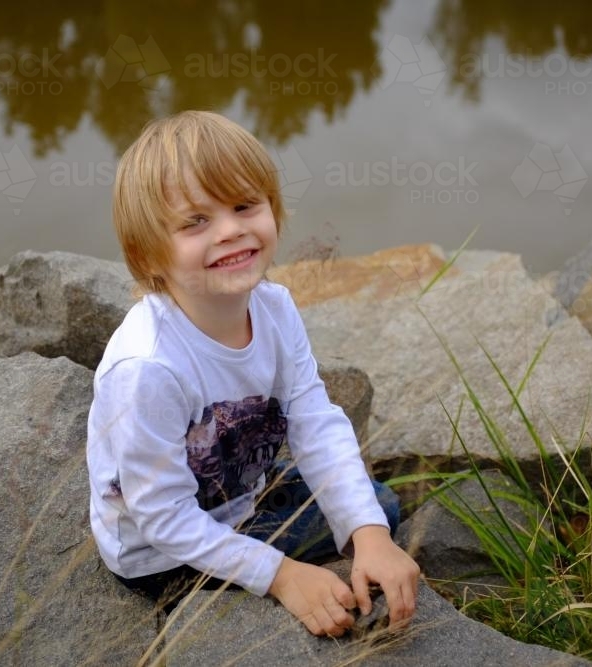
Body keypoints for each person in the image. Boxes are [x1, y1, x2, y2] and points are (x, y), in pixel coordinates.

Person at [86, 110, 420, 638]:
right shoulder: (147, 368)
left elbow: (312, 418)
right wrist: (282, 577)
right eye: (195, 221)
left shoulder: (275, 308)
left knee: (377, 511)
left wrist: (370, 534)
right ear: (147, 253)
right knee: (356, 530)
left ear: (274, 211)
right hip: (161, 554)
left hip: (238, 497)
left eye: (245, 205)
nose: (231, 230)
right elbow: (162, 515)